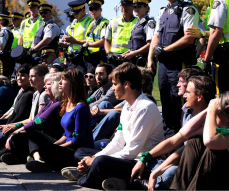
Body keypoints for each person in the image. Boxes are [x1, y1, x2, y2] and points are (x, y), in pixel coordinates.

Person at [61, 62, 164, 190]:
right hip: (127, 157)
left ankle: (87, 175)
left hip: (141, 163)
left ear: (127, 84)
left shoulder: (145, 108)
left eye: (115, 84)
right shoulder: (127, 106)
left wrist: (95, 161)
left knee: (101, 162)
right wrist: (94, 157)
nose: (112, 88)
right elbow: (117, 142)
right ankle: (101, 174)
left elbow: (132, 151)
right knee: (81, 152)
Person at [131, 75, 216, 190]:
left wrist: (157, 172)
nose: (184, 95)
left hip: (198, 171)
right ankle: (153, 181)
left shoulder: (211, 122)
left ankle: (149, 184)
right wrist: (144, 158)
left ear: (199, 97)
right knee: (153, 160)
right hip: (182, 161)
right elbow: (173, 141)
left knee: (169, 173)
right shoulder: (189, 112)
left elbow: (184, 147)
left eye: (188, 92)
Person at [170, 92, 229, 190]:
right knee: (195, 142)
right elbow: (186, 133)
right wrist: (208, 109)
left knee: (214, 150)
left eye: (216, 112)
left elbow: (210, 141)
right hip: (227, 179)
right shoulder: (219, 130)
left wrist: (211, 111)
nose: (211, 116)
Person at [147, 0, 199, 139]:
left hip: (179, 64)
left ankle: (182, 139)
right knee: (166, 102)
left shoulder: (188, 9)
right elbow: (156, 36)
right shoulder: (162, 11)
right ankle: (168, 138)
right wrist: (151, 58)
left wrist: (166, 49)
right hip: (164, 64)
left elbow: (189, 38)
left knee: (180, 103)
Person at [25, 69, 93, 172]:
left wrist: (56, 147)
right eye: (60, 79)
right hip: (67, 146)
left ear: (73, 83)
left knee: (45, 148)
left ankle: (50, 164)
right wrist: (55, 145)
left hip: (76, 150)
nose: (59, 83)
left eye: (64, 79)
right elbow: (66, 134)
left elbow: (78, 140)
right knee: (33, 134)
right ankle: (43, 162)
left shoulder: (80, 108)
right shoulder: (67, 103)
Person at [0, 72, 63, 165]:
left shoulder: (57, 104)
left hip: (54, 138)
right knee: (14, 134)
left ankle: (37, 160)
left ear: (55, 87)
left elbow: (37, 122)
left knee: (30, 134)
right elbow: (34, 118)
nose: (44, 87)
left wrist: (15, 130)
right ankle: (9, 155)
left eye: (47, 84)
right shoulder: (49, 103)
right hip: (44, 136)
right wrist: (15, 128)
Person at [0, 65, 35, 162]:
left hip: (24, 125)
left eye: (23, 75)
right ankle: (0, 149)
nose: (19, 78)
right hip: (17, 122)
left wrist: (9, 126)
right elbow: (13, 111)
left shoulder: (29, 94)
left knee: (10, 135)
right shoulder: (22, 92)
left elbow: (21, 116)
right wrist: (5, 124)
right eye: (18, 75)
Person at [123, 0, 156, 68]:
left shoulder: (149, 23)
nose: (136, 9)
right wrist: (126, 53)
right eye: (134, 7)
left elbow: (151, 44)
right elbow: (134, 45)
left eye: (139, 6)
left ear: (146, 8)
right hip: (135, 60)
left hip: (144, 61)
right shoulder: (137, 23)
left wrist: (132, 54)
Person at [105, 0, 137, 68]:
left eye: (128, 5)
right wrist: (108, 53)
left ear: (133, 6)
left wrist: (128, 53)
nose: (124, 8)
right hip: (114, 58)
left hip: (130, 57)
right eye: (123, 5)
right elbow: (107, 40)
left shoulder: (138, 22)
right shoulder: (113, 21)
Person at [62, 0, 93, 74]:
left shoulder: (90, 22)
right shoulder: (74, 22)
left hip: (83, 58)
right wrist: (65, 41)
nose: (74, 15)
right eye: (73, 13)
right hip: (71, 58)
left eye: (76, 13)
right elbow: (71, 37)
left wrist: (74, 41)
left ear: (83, 10)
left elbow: (91, 41)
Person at [82, 0, 109, 69]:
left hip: (99, 57)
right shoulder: (91, 23)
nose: (93, 11)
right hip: (90, 57)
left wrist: (88, 45)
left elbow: (104, 41)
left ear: (100, 10)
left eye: (96, 9)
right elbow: (88, 39)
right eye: (91, 9)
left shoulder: (104, 23)